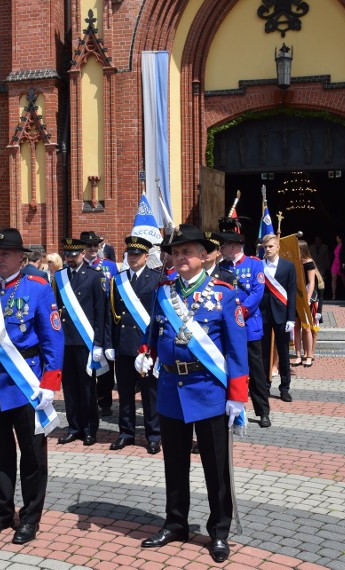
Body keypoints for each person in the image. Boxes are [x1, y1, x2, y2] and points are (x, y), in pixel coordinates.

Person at [134, 224, 248, 564]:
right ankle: (175, 523)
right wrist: (146, 352)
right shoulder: (163, 291)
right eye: (177, 252)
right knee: (174, 464)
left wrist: (237, 395)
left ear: (205, 255)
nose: (181, 257)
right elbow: (154, 328)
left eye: (188, 252)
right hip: (170, 389)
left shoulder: (225, 293)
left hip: (208, 390)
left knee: (216, 467)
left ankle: (219, 531)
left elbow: (237, 350)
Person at [0, 228, 63, 544]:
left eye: (5, 253)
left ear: (20, 257)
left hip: (27, 384)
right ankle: (1, 513)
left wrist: (50, 383)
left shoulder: (38, 287)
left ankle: (30, 518)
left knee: (32, 456)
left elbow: (53, 338)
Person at [108, 236, 162, 453]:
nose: (133, 258)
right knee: (125, 393)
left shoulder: (157, 278)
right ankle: (126, 432)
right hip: (123, 345)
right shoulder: (117, 280)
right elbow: (109, 314)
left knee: (150, 394)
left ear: (146, 257)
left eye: (137, 255)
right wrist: (108, 343)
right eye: (130, 254)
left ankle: (153, 435)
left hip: (146, 346)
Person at [55, 236, 109, 446]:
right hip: (66, 341)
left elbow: (100, 311)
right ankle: (74, 426)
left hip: (85, 341)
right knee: (69, 387)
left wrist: (99, 343)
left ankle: (89, 429)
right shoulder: (59, 277)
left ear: (83, 254)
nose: (70, 258)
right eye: (67, 255)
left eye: (74, 254)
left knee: (87, 388)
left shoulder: (94, 277)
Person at [218, 223, 269, 427]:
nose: (220, 250)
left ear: (234, 246)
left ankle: (263, 411)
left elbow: (257, 292)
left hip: (248, 326)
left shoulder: (255, 264)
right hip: (228, 328)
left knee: (256, 371)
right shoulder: (222, 268)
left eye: (224, 246)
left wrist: (242, 311)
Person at [81, 230, 118, 416]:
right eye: (89, 246)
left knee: (106, 364)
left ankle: (105, 401)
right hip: (85, 319)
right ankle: (88, 400)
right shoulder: (76, 267)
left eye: (96, 245)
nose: (93, 249)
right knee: (86, 364)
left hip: (107, 319)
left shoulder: (110, 267)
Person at [259, 233, 297, 402]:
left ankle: (285, 387)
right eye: (265, 247)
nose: (267, 250)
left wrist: (291, 318)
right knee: (265, 352)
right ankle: (265, 385)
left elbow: (292, 293)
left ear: (278, 247)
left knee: (283, 352)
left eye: (270, 246)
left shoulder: (288, 267)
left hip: (282, 315)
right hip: (264, 314)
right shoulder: (259, 266)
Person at [292, 240, 319, 367]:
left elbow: (311, 282)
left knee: (307, 327)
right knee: (296, 326)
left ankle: (308, 355)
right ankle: (298, 355)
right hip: (296, 296)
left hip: (306, 297)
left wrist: (307, 299)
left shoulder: (309, 263)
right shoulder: (294, 263)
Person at [330, 234, 345, 300]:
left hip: (341, 264)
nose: (337, 240)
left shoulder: (344, 246)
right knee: (333, 279)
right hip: (335, 263)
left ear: (341, 239)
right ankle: (334, 295)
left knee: (344, 280)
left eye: (338, 238)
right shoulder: (335, 245)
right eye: (336, 238)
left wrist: (344, 264)